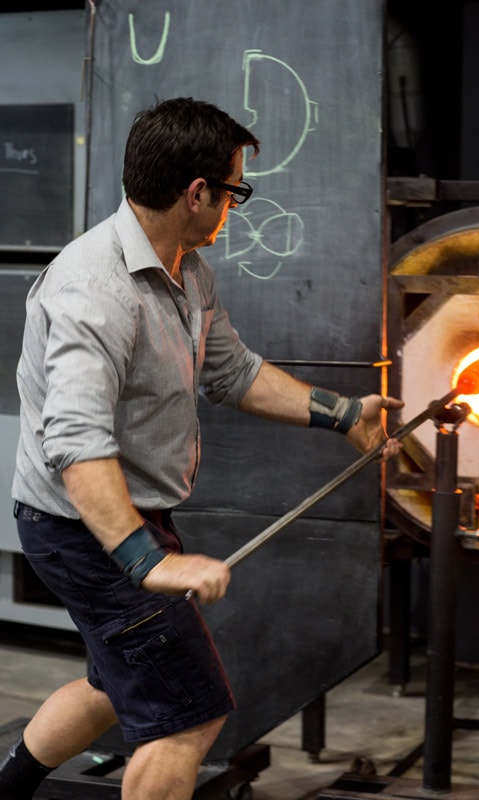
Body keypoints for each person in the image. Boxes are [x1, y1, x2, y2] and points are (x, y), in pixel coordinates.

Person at [0, 97, 403, 800]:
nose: (236, 207)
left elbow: (233, 372)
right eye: (235, 191)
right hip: (82, 530)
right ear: (197, 194)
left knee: (112, 682)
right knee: (186, 719)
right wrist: (144, 562)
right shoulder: (92, 292)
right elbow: (75, 444)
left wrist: (346, 415)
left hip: (121, 522)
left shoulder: (185, 270)